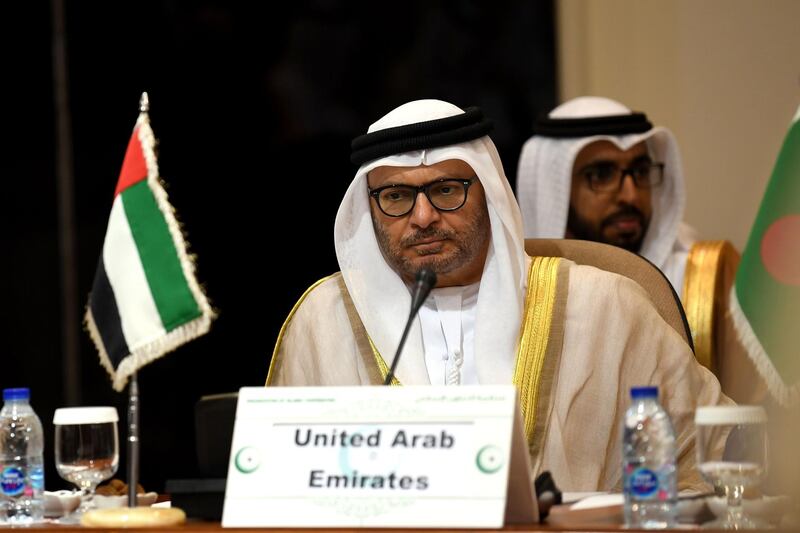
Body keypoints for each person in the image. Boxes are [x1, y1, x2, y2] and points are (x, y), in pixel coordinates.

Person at [267, 99, 731, 492]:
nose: (423, 216)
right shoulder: (323, 320)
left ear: (487, 194)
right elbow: (278, 483)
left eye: (446, 190)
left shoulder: (606, 306)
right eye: (395, 197)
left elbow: (711, 457)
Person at [516, 96, 757, 402]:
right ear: (555, 187)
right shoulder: (520, 291)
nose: (630, 195)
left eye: (640, 172)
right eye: (601, 175)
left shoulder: (698, 280)